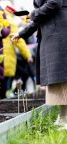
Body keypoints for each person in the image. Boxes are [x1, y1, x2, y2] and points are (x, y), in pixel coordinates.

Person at [11, 0, 67, 128]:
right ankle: (63, 115)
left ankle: (65, 117)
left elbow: (54, 3)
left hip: (59, 32)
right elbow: (41, 17)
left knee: (62, 75)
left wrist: (34, 13)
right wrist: (22, 33)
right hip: (53, 31)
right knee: (58, 77)